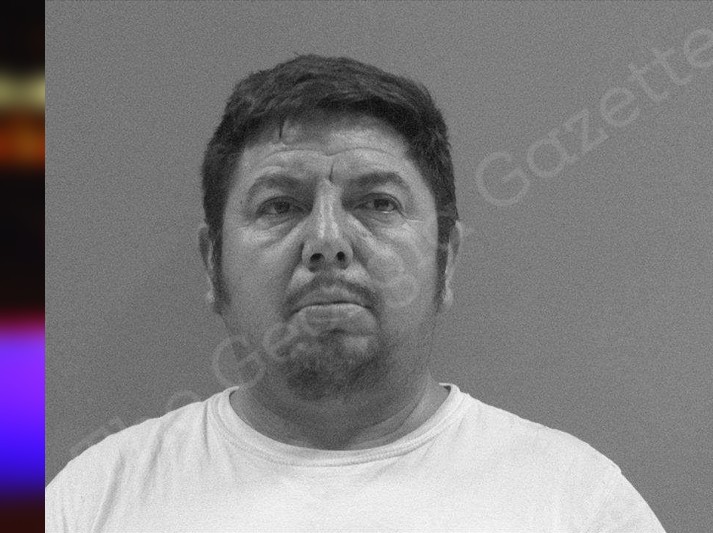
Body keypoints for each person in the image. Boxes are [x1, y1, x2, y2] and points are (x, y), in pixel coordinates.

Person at [46, 55, 666, 532]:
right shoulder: (95, 502)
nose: (327, 241)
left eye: (377, 203)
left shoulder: (577, 504)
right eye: (279, 205)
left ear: (445, 258)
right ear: (213, 265)